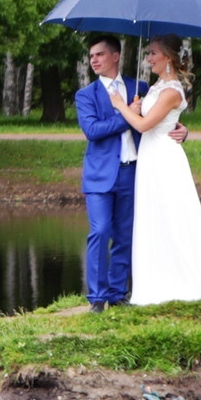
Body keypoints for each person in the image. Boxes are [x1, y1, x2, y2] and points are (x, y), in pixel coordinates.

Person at [116, 36, 201, 305]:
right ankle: (158, 281)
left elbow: (144, 126)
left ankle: (187, 282)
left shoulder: (171, 91)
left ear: (168, 56)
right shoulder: (158, 85)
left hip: (164, 158)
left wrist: (120, 107)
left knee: (173, 215)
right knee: (155, 215)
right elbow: (150, 118)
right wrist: (136, 106)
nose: (149, 58)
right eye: (148, 53)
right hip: (151, 157)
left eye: (153, 53)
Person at [72, 34, 140, 310]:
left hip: (132, 172)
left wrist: (183, 131)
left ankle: (116, 293)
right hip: (99, 176)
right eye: (91, 56)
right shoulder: (86, 95)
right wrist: (125, 115)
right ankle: (97, 298)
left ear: (116, 56)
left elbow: (160, 119)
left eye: (99, 54)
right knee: (100, 231)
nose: (94, 60)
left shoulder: (139, 88)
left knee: (124, 234)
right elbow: (92, 131)